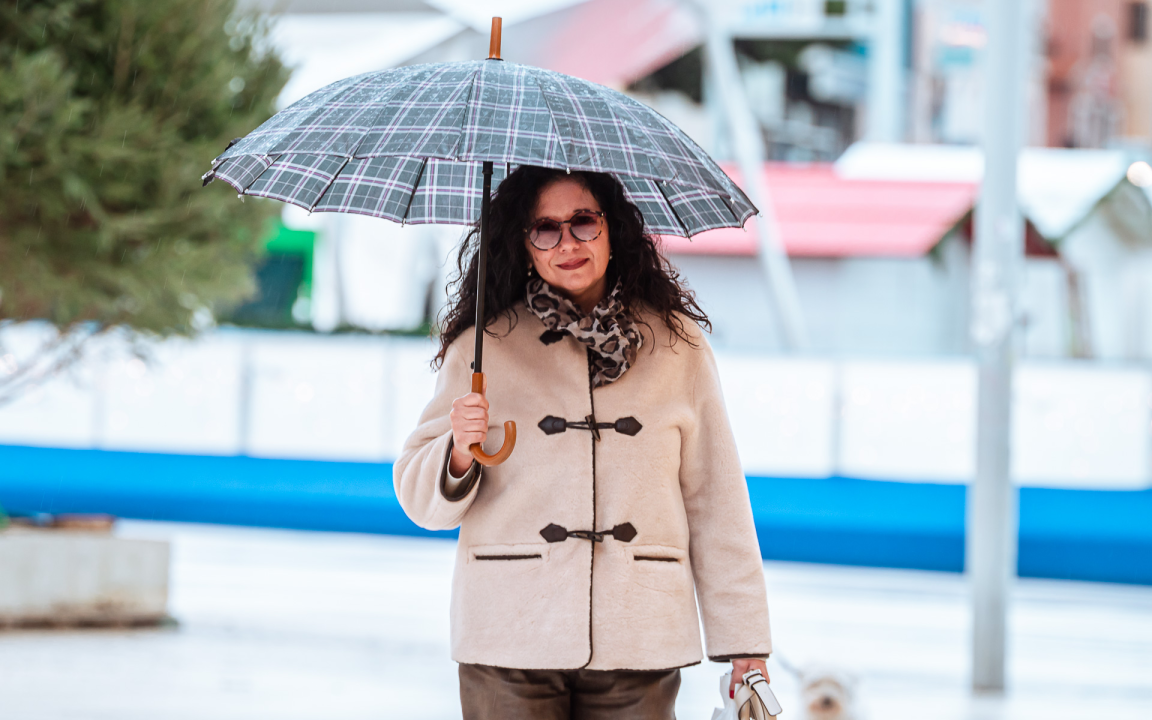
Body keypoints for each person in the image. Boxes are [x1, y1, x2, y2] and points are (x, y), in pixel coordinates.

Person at [394, 165, 772, 719]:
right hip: (508, 631)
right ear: (524, 245)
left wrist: (745, 644)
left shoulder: (677, 346)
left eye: (582, 222)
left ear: (613, 229)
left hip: (639, 633)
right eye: (544, 228)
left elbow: (717, 499)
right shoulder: (483, 344)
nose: (565, 242)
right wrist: (455, 451)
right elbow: (418, 497)